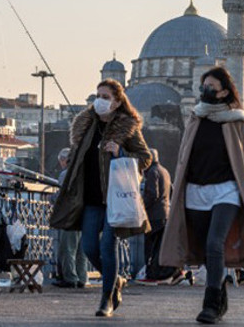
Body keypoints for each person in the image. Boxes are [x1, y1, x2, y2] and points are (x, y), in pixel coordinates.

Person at [159, 66, 244, 325]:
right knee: (204, 249)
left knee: (215, 244)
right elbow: (183, 156)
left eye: (211, 87)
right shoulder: (195, 116)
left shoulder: (236, 120)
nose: (205, 91)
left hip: (226, 190)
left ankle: (210, 304)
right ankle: (221, 293)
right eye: (203, 86)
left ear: (224, 91)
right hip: (195, 191)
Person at [50, 79, 152, 317]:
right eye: (98, 95)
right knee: (88, 247)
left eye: (105, 97)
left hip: (115, 198)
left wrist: (121, 151)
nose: (100, 101)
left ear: (117, 102)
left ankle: (106, 299)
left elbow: (145, 157)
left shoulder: (127, 127)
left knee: (108, 246)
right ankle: (115, 280)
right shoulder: (86, 126)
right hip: (90, 198)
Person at [52, 148, 89, 288]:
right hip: (84, 215)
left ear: (64, 160)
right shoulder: (84, 172)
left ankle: (70, 278)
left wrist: (51, 198)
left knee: (67, 248)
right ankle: (82, 278)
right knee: (81, 250)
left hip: (70, 216)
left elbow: (62, 196)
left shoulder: (65, 174)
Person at [140, 148, 176, 284]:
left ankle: (151, 274)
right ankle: (159, 273)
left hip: (153, 216)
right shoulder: (165, 171)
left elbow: (152, 194)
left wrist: (141, 206)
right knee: (160, 247)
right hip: (164, 214)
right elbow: (171, 191)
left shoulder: (152, 173)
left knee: (150, 247)